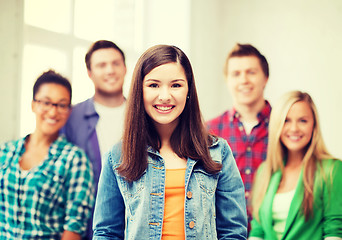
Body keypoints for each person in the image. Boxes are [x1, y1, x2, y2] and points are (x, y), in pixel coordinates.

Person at [92, 45, 247, 239]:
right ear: (140, 91)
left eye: (176, 85)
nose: (165, 96)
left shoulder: (217, 151)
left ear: (188, 89)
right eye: (154, 85)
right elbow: (106, 233)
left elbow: (233, 232)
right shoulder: (118, 156)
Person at [0, 70, 94, 239]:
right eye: (46, 102)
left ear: (69, 111)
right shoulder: (5, 152)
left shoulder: (75, 160)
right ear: (33, 104)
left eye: (61, 105)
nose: (52, 112)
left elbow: (74, 227)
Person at [249, 91, 342, 240]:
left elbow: (334, 231)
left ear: (314, 125)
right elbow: (257, 231)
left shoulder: (332, 170)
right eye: (286, 120)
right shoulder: (264, 172)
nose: (294, 129)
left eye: (302, 121)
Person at [61, 40, 127, 239]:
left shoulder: (143, 115)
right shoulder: (71, 117)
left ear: (125, 68)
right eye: (101, 65)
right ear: (89, 73)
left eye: (116, 63)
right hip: (86, 227)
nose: (110, 71)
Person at [206, 43, 271, 230]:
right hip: (225, 232)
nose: (244, 80)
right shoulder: (209, 131)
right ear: (227, 80)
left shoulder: (285, 128)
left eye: (251, 72)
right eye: (236, 74)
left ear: (265, 78)